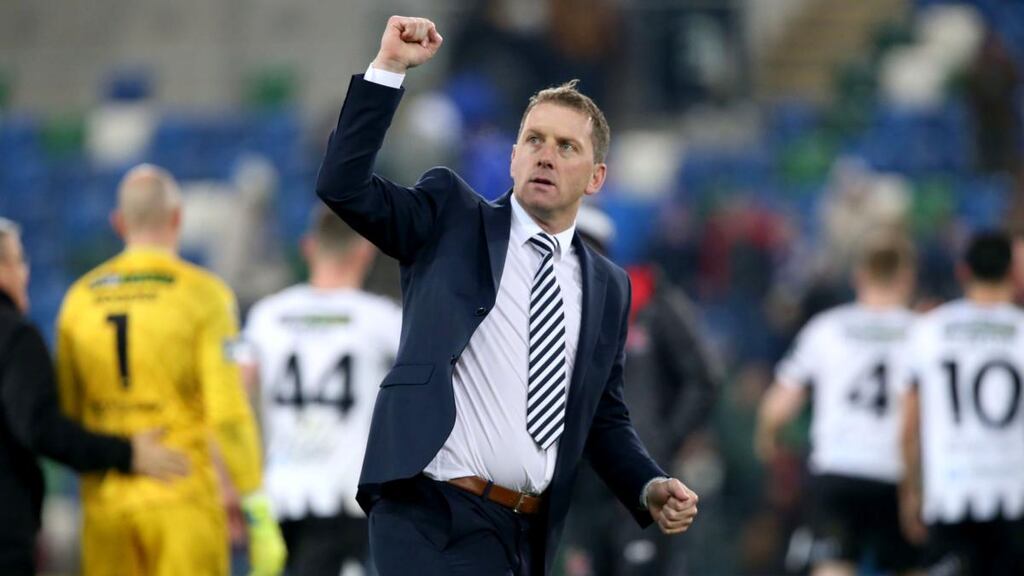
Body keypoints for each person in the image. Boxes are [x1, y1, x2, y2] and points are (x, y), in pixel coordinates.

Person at [315, 15, 699, 576]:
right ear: (514, 155)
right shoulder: (451, 217)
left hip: (522, 534)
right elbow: (343, 186)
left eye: (566, 147)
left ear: (596, 178)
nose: (545, 155)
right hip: (429, 513)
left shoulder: (609, 285)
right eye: (534, 140)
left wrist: (646, 484)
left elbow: (602, 416)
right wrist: (389, 69)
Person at [55, 165, 286, 576]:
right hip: (182, 497)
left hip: (107, 509)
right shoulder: (203, 295)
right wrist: (256, 506)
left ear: (119, 223)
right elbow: (228, 414)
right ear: (177, 218)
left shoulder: (78, 300)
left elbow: (68, 416)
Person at [0, 218, 189, 575]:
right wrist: (126, 453)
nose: (25, 272)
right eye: (20, 260)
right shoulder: (15, 336)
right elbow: (40, 427)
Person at [242, 207, 401, 576]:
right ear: (364, 252)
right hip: (343, 497)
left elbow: (235, 392)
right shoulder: (383, 320)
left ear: (308, 247)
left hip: (277, 499)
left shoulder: (266, 316)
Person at [564, 205, 719, 576]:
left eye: (589, 245)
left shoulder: (649, 303)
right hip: (581, 480)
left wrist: (663, 439)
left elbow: (703, 378)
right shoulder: (551, 312)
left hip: (637, 470)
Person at [755, 234, 922, 576]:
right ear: (907, 278)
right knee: (911, 565)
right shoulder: (922, 333)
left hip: (838, 469)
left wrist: (767, 439)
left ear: (859, 276)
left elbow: (780, 404)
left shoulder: (827, 328)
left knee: (831, 566)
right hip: (897, 473)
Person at [900, 231, 1024, 575]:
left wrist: (910, 491)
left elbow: (909, 426)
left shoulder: (929, 330)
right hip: (1014, 494)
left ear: (963, 272)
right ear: (1012, 272)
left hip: (951, 492)